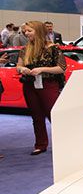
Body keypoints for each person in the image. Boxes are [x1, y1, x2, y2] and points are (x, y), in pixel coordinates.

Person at [15, 21, 66, 155]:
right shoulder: (24, 50)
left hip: (48, 85)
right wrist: (22, 69)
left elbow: (61, 68)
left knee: (54, 115)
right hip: (29, 85)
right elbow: (18, 66)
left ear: (38, 31)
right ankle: (40, 144)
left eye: (29, 31)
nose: (26, 33)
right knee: (36, 117)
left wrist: (42, 69)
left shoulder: (53, 48)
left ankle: (65, 143)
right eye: (25, 31)